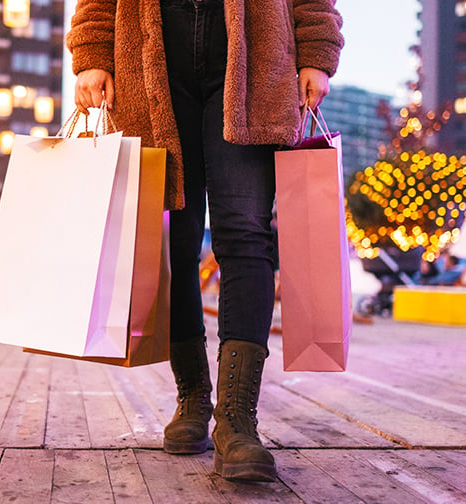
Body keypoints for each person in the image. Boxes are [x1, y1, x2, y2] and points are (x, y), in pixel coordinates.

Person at [67, 0, 343, 482]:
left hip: (254, 56)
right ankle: (193, 396)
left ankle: (237, 421)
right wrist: (92, 51)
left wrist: (316, 51)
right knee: (172, 241)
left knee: (245, 234)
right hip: (151, 54)